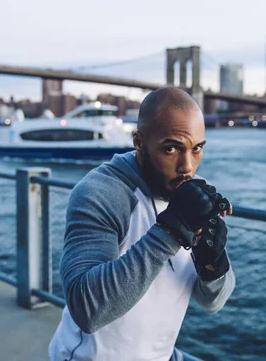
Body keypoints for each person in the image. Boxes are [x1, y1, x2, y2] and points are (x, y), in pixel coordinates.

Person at [49, 87, 236, 361]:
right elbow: (87, 310)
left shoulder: (190, 192)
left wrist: (212, 260)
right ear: (139, 142)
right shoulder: (101, 193)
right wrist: (170, 232)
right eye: (171, 148)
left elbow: (213, 302)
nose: (188, 166)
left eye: (196, 149)